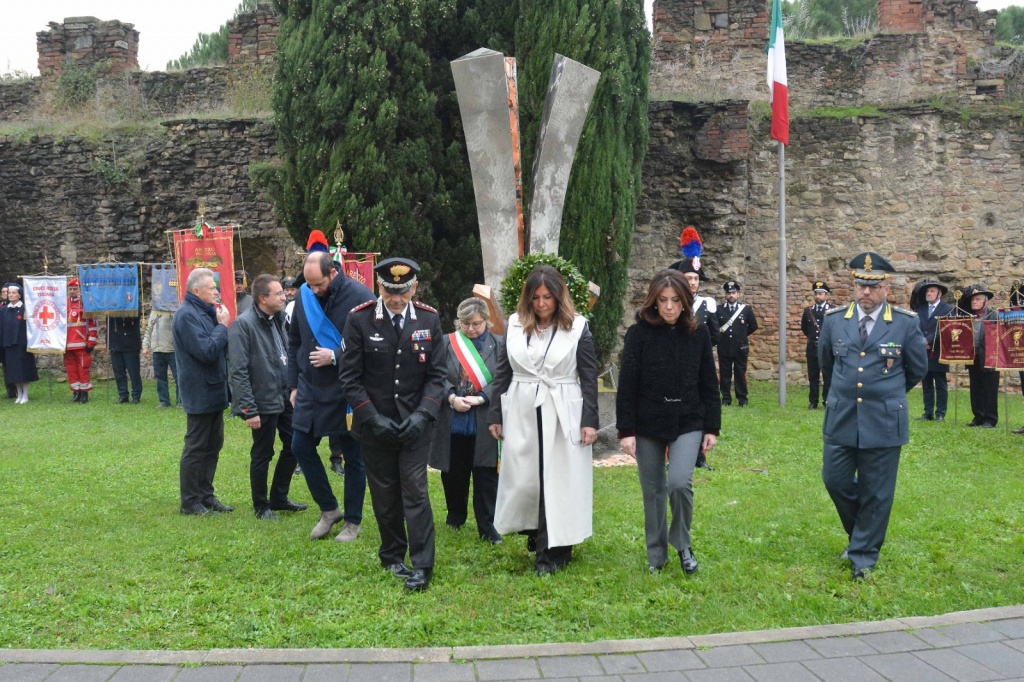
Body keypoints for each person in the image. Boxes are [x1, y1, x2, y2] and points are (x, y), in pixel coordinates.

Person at [819, 252, 927, 580]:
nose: (866, 292)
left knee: (877, 489)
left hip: (883, 420)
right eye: (861, 285)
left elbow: (916, 370)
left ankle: (863, 555)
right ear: (854, 286)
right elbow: (827, 364)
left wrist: (887, 396)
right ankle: (861, 536)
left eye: (874, 286)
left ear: (885, 287)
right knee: (834, 479)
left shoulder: (905, 323)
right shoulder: (834, 320)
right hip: (842, 417)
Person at [487, 265, 599, 576]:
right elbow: (503, 372)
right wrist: (495, 412)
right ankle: (536, 532)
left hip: (562, 408)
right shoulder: (514, 325)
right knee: (528, 478)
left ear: (559, 297)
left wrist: (589, 419)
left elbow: (588, 377)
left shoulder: (577, 328)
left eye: (548, 297)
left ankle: (553, 552)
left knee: (558, 481)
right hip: (523, 407)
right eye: (535, 297)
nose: (541, 304)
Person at [341, 257, 446, 591]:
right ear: (379, 287)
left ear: (414, 288)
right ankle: (391, 555)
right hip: (375, 426)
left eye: (403, 291)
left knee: (415, 491)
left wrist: (422, 415)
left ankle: (423, 564)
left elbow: (438, 376)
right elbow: (349, 377)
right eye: (389, 291)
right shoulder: (359, 320)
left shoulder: (429, 319)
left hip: (416, 426)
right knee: (384, 494)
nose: (396, 298)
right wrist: (372, 418)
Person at [616, 270, 721, 575]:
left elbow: (708, 385)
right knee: (653, 491)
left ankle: (683, 544)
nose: (669, 307)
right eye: (663, 301)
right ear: (653, 302)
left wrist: (712, 427)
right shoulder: (638, 335)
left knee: (678, 483)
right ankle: (656, 555)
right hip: (647, 423)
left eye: (676, 300)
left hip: (688, 421)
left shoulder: (698, 333)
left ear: (686, 301)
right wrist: (626, 431)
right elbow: (627, 386)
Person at [290, 246, 374, 543]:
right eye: (309, 284)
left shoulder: (361, 296)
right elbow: (294, 341)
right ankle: (329, 509)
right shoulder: (304, 295)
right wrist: (294, 385)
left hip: (346, 389)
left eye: (319, 284)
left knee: (354, 457)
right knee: (300, 446)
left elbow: (374, 344)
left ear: (333, 272)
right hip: (310, 387)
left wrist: (336, 355)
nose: (314, 290)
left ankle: (352, 521)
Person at [229, 274, 307, 520]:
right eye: (279, 293)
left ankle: (279, 498)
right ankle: (261, 505)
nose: (284, 296)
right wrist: (248, 409)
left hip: (285, 396)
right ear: (263, 298)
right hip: (261, 400)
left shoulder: (280, 319)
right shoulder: (243, 325)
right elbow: (238, 370)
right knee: (263, 452)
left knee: (295, 445)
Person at [428, 297, 504, 545]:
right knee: (454, 471)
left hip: (485, 418)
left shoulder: (500, 345)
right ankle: (455, 515)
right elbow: (435, 375)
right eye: (465, 324)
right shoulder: (447, 343)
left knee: (485, 474)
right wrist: (450, 397)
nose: (470, 329)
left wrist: (483, 398)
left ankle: (488, 525)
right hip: (454, 416)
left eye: (476, 324)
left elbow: (504, 379)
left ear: (487, 322)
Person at [173, 268, 233, 516]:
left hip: (214, 390)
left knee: (213, 445)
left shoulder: (206, 313)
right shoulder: (186, 316)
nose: (216, 291)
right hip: (199, 391)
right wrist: (222, 327)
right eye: (212, 287)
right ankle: (190, 501)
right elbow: (206, 351)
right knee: (196, 447)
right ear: (196, 291)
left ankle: (206, 496)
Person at [913, 280, 952, 422]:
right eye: (927, 291)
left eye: (932, 291)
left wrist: (928, 341)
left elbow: (945, 329)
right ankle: (928, 412)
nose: (928, 293)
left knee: (940, 383)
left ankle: (940, 413)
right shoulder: (920, 309)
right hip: (923, 350)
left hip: (939, 350)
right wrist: (920, 341)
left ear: (939, 294)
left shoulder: (948, 309)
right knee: (926, 382)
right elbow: (916, 327)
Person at [716, 280, 758, 407]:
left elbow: (753, 326)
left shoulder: (745, 309)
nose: (731, 295)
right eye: (728, 293)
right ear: (725, 295)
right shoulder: (719, 310)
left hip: (740, 347)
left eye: (733, 293)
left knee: (740, 373)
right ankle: (726, 398)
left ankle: (742, 399)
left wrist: (741, 335)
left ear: (738, 294)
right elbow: (715, 326)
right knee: (725, 374)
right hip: (724, 347)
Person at [963, 284, 999, 428]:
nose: (974, 302)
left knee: (989, 388)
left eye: (977, 299)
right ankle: (978, 416)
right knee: (975, 388)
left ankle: (990, 419)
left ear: (986, 301)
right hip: (974, 356)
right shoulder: (969, 316)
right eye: (973, 300)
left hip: (989, 357)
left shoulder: (993, 315)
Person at [0, 283, 39, 404]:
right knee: (13, 371)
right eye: (9, 293)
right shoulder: (3, 310)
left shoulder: (25, 309)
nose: (10, 295)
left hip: (22, 343)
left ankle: (25, 394)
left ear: (19, 295)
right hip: (8, 344)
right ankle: (18, 393)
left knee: (23, 369)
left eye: (13, 293)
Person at [64, 277, 98, 403]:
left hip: (82, 344)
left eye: (75, 289)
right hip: (67, 345)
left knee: (83, 369)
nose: (72, 291)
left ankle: (84, 394)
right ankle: (76, 392)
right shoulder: (64, 304)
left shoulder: (86, 304)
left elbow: (93, 325)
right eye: (70, 289)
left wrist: (91, 342)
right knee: (71, 369)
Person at [801, 281, 833, 410]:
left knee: (828, 376)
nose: (818, 296)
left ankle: (827, 400)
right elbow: (804, 328)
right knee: (813, 376)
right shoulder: (808, 311)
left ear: (826, 295)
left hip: (827, 348)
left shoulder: (832, 310)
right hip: (812, 347)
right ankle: (813, 401)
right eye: (816, 294)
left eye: (821, 294)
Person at [142, 305, 180, 409]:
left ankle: (180, 402)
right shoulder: (154, 312)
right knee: (160, 377)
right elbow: (149, 330)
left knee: (178, 377)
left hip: (172, 349)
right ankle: (164, 401)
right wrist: (145, 346)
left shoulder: (173, 310)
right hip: (157, 350)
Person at [107, 312, 143, 404]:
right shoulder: (111, 303)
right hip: (115, 342)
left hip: (130, 343)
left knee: (133, 372)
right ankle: (123, 395)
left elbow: (136, 314)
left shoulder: (132, 301)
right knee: (118, 372)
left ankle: (136, 395)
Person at [1, 285, 15, 399]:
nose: (6, 294)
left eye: (8, 292)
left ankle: (13, 389)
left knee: (11, 364)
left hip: (10, 340)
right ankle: (9, 389)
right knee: (5, 366)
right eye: (4, 292)